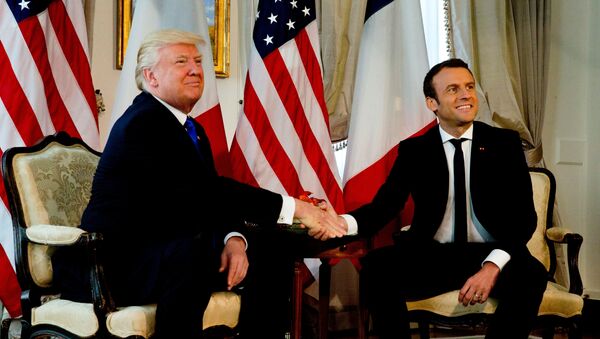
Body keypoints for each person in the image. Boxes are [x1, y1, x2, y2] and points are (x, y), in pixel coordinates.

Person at [54, 29, 345, 339]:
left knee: (271, 247)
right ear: (151, 77)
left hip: (165, 253)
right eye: (181, 61)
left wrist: (234, 240)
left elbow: (204, 201)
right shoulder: (145, 122)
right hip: (114, 264)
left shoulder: (192, 130)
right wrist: (296, 208)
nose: (195, 69)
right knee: (194, 253)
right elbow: (210, 192)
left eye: (197, 61)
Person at [332, 58, 547, 339]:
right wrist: (339, 223)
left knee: (531, 275)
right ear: (432, 103)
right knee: (377, 268)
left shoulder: (504, 144)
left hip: (491, 250)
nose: (466, 95)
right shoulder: (415, 150)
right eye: (453, 89)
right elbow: (384, 207)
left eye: (469, 86)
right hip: (432, 254)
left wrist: (492, 265)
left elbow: (524, 218)